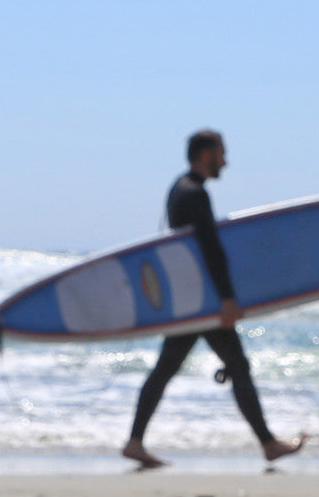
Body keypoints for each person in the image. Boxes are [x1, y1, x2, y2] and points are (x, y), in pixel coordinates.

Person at [121, 129, 306, 469]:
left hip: (190, 300)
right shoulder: (194, 194)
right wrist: (227, 299)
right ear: (206, 154)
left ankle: (135, 441)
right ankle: (268, 444)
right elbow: (210, 249)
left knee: (168, 369)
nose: (226, 161)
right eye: (222, 153)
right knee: (235, 366)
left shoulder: (180, 189)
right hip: (203, 302)